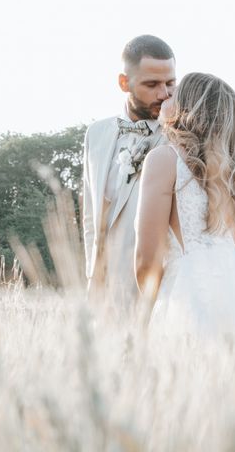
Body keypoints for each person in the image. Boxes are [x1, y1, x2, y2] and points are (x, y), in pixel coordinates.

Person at [134, 72, 235, 340]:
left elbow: (147, 260)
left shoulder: (164, 160)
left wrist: (147, 315)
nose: (165, 96)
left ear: (186, 110)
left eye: (173, 95)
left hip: (188, 294)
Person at [82, 35, 176, 312]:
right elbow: (91, 213)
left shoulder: (182, 135)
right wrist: (93, 275)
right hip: (103, 292)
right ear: (124, 83)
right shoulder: (95, 135)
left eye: (170, 83)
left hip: (160, 290)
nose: (164, 93)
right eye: (152, 84)